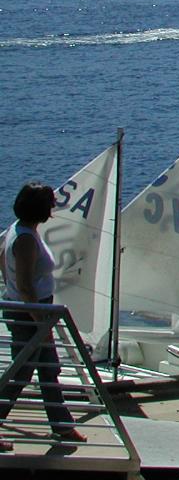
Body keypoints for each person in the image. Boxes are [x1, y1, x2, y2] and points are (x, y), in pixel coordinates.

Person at [0, 182, 87, 448]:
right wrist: (41, 324)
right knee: (21, 373)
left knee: (49, 370)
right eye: (49, 203)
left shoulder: (16, 230)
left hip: (31, 310)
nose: (53, 207)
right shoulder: (25, 239)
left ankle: (62, 427)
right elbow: (26, 286)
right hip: (32, 314)